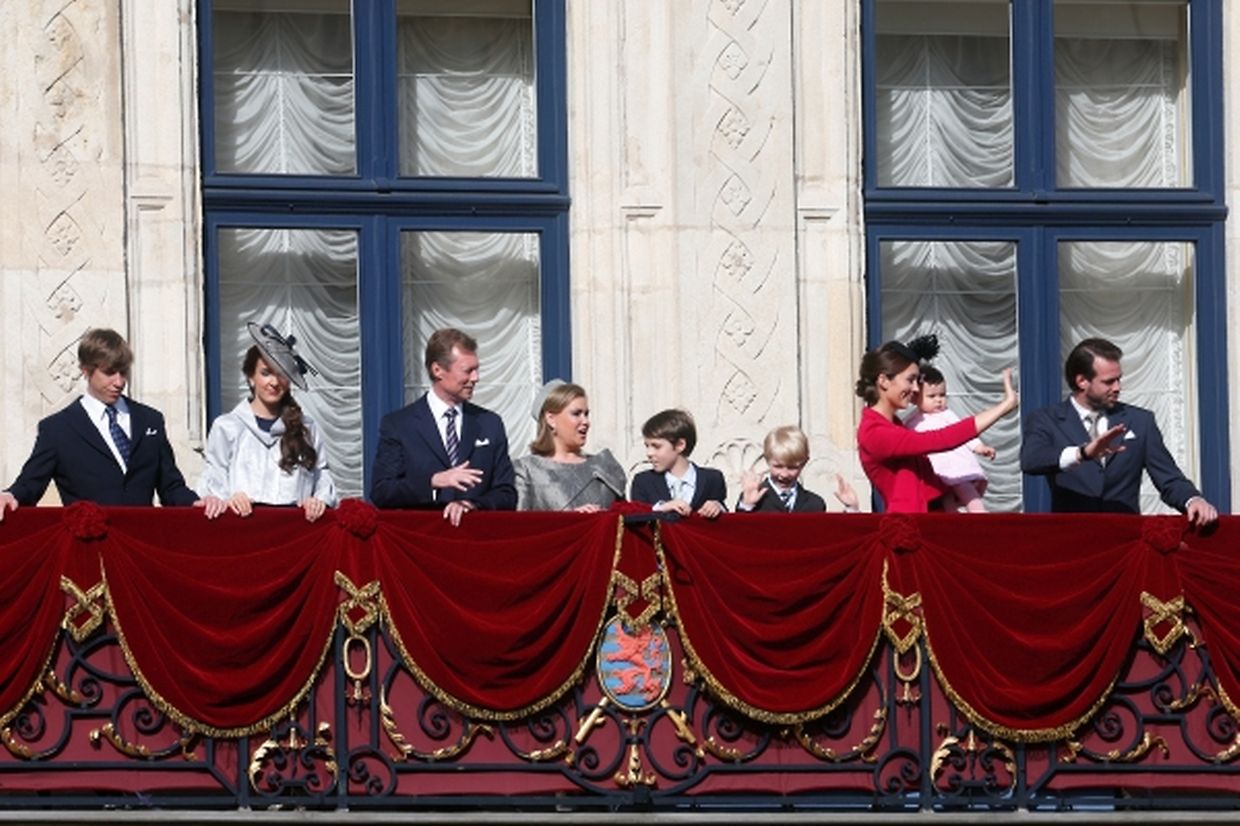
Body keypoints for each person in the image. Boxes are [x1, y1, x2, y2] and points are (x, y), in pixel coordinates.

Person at [0, 328, 200, 519]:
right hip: (89, 547)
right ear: (86, 371)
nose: (119, 382)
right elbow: (30, 484)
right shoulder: (57, 430)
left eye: (123, 372)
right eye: (110, 372)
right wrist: (10, 496)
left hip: (141, 543)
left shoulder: (150, 420)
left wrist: (196, 504)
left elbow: (171, 486)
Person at [1020, 337, 1218, 526]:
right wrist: (1082, 453)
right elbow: (1031, 460)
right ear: (1082, 381)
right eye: (1108, 381)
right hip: (1072, 542)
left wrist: (1193, 500)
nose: (1117, 387)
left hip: (1125, 542)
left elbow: (1168, 478)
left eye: (1119, 379)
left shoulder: (1140, 421)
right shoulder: (1047, 420)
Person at [370, 328, 516, 526]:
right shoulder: (399, 425)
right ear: (437, 370)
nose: (476, 378)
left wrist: (472, 505)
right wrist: (433, 481)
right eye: (467, 370)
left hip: (475, 542)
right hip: (420, 542)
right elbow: (382, 492)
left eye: (477, 369)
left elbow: (506, 493)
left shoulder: (489, 423)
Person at [855, 336, 1018, 513]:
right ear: (884, 381)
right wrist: (1004, 406)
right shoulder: (874, 432)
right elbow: (940, 439)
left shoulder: (896, 425)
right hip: (909, 530)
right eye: (910, 380)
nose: (916, 389)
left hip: (927, 522)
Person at [199, 324, 337, 522]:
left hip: (295, 531)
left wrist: (318, 501)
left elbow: (322, 475)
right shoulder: (227, 427)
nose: (274, 382)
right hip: (243, 529)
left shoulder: (307, 428)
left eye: (282, 374)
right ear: (251, 378)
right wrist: (229, 499)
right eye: (266, 373)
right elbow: (213, 477)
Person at [513, 380, 627, 512]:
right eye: (576, 414)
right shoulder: (527, 471)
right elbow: (521, 527)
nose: (586, 421)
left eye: (586, 414)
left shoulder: (605, 465)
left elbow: (625, 519)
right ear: (551, 419)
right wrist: (571, 520)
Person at [904, 365, 994, 512]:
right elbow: (907, 441)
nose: (939, 400)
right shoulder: (912, 421)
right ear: (915, 398)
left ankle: (980, 514)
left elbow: (964, 431)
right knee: (945, 497)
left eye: (942, 395)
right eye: (932, 396)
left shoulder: (947, 414)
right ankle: (953, 523)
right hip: (937, 468)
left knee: (965, 488)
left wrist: (979, 448)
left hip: (955, 463)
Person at [737, 425, 859, 513]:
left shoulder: (814, 504)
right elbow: (737, 535)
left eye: (792, 467)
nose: (784, 474)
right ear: (767, 460)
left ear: (804, 462)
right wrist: (747, 506)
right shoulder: (754, 498)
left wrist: (852, 509)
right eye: (778, 466)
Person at [630, 409, 727, 518]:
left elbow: (726, 524)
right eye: (647, 446)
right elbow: (635, 518)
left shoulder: (713, 479)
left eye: (656, 446)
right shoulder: (643, 482)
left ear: (680, 445)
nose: (649, 453)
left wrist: (717, 507)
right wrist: (661, 508)